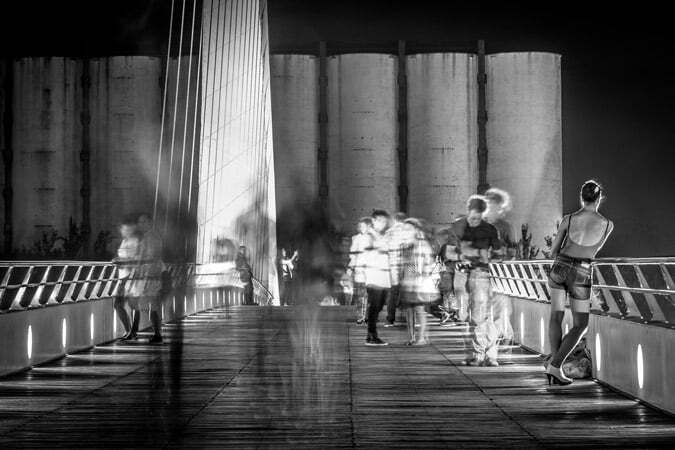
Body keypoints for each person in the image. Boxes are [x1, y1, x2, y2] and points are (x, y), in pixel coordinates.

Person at [545, 180, 613, 385]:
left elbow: (553, 250)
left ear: (581, 198)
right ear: (599, 198)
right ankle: (556, 366)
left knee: (555, 316)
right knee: (580, 323)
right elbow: (594, 250)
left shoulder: (569, 219)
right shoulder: (608, 224)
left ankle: (554, 366)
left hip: (560, 266)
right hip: (581, 270)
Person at [446, 196, 502, 366]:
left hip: (479, 274)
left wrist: (484, 257)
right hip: (463, 274)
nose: (474, 219)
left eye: (477, 216)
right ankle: (479, 353)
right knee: (466, 316)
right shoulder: (458, 227)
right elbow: (449, 253)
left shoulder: (489, 229)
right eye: (472, 216)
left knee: (480, 315)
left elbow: (498, 254)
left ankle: (483, 354)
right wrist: (464, 255)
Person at [483, 188, 516, 344]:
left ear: (500, 206)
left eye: (492, 203)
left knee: (500, 306)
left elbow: (513, 250)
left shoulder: (505, 226)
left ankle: (502, 338)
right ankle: (498, 338)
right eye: (487, 202)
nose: (489, 206)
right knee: (487, 306)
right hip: (483, 270)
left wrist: (501, 252)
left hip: (500, 271)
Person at [400, 218, 441, 345]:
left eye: (408, 229)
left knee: (419, 309)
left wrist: (423, 273)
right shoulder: (405, 245)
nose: (405, 231)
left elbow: (428, 262)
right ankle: (412, 337)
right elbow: (404, 264)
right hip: (408, 281)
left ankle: (422, 337)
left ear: (415, 230)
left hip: (419, 283)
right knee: (409, 310)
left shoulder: (422, 244)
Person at [135, 213, 166, 343]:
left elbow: (150, 256)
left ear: (150, 223)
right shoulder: (152, 237)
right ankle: (157, 333)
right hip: (151, 275)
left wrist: (138, 263)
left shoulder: (151, 238)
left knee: (152, 305)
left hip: (151, 276)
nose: (140, 225)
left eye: (143, 222)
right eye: (139, 222)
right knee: (152, 305)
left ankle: (157, 334)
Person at [363, 210, 392, 346]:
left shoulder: (382, 235)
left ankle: (372, 333)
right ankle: (371, 335)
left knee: (379, 305)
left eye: (384, 221)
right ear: (373, 221)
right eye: (380, 221)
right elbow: (367, 253)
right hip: (374, 276)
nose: (383, 224)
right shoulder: (369, 235)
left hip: (383, 277)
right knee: (375, 305)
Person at [112, 219, 141, 340]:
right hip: (122, 277)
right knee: (118, 304)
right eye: (123, 229)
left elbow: (135, 260)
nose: (123, 231)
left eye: (126, 229)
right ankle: (129, 330)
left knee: (132, 304)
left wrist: (121, 261)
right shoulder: (124, 241)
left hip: (132, 276)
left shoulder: (135, 242)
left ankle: (132, 331)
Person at [384, 212, 408, 327]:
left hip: (392, 266)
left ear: (394, 220)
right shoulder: (408, 232)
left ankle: (390, 319)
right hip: (406, 266)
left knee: (393, 292)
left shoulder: (389, 233)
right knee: (407, 292)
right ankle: (408, 318)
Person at [347, 218, 373, 324]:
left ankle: (367, 315)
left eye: (363, 226)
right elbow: (353, 255)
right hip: (359, 270)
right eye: (360, 226)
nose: (361, 228)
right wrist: (350, 267)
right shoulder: (356, 238)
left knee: (369, 295)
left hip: (371, 271)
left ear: (368, 226)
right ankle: (360, 315)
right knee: (359, 294)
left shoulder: (373, 238)